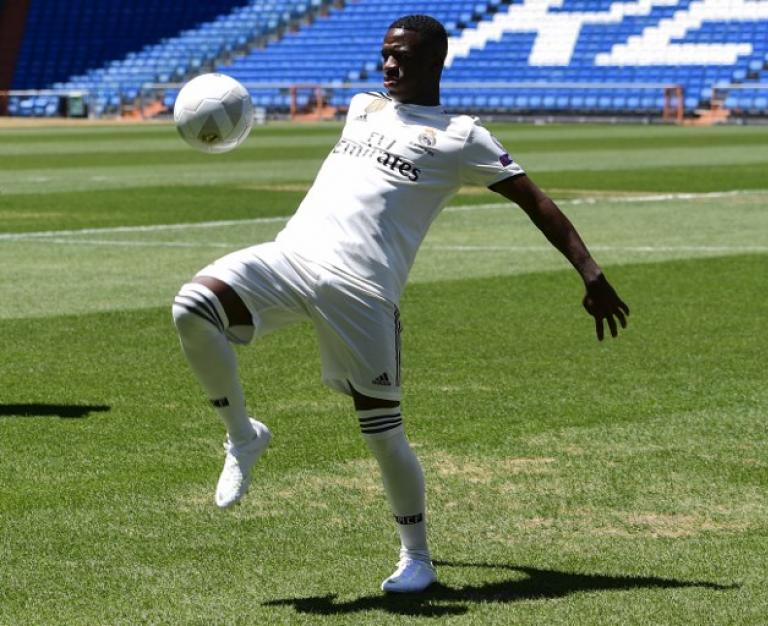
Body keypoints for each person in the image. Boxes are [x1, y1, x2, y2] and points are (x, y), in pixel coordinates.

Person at [171, 14, 629, 594]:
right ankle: (243, 435)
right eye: (386, 54)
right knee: (192, 307)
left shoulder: (462, 137)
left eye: (404, 57)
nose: (390, 65)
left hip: (363, 294)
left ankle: (417, 557)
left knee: (383, 433)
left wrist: (591, 273)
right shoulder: (363, 105)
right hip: (290, 258)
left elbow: (534, 200)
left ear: (436, 63)